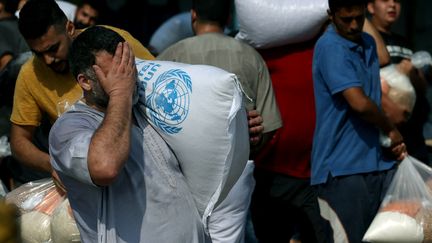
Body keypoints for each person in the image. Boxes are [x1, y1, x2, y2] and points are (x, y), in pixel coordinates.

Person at [50, 26, 209, 243]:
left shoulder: (144, 107)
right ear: (85, 81)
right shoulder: (68, 128)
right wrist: (120, 93)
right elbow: (105, 167)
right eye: (114, 74)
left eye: (128, 67)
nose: (127, 78)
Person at [157, 0, 282, 242]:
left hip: (184, 171)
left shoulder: (171, 55)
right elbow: (268, 125)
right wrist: (250, 143)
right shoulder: (250, 56)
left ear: (193, 15)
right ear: (228, 20)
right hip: (235, 171)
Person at [9, 0, 154, 185]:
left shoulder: (110, 42)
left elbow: (157, 83)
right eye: (37, 53)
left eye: (52, 49)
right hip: (90, 175)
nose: (47, 60)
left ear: (69, 28)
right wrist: (55, 164)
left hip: (145, 157)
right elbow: (19, 142)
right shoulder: (30, 74)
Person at [312, 0, 406, 242]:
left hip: (377, 165)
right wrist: (391, 129)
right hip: (342, 171)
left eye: (359, 18)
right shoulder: (330, 46)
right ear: (331, 15)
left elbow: (373, 97)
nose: (354, 25)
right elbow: (360, 103)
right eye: (346, 19)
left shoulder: (368, 43)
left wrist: (390, 139)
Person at [368, 0, 431, 164]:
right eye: (384, 0)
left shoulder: (405, 43)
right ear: (370, 7)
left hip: (414, 136)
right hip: (386, 136)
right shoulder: (365, 40)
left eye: (396, 0)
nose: (392, 5)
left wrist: (412, 73)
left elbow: (423, 88)